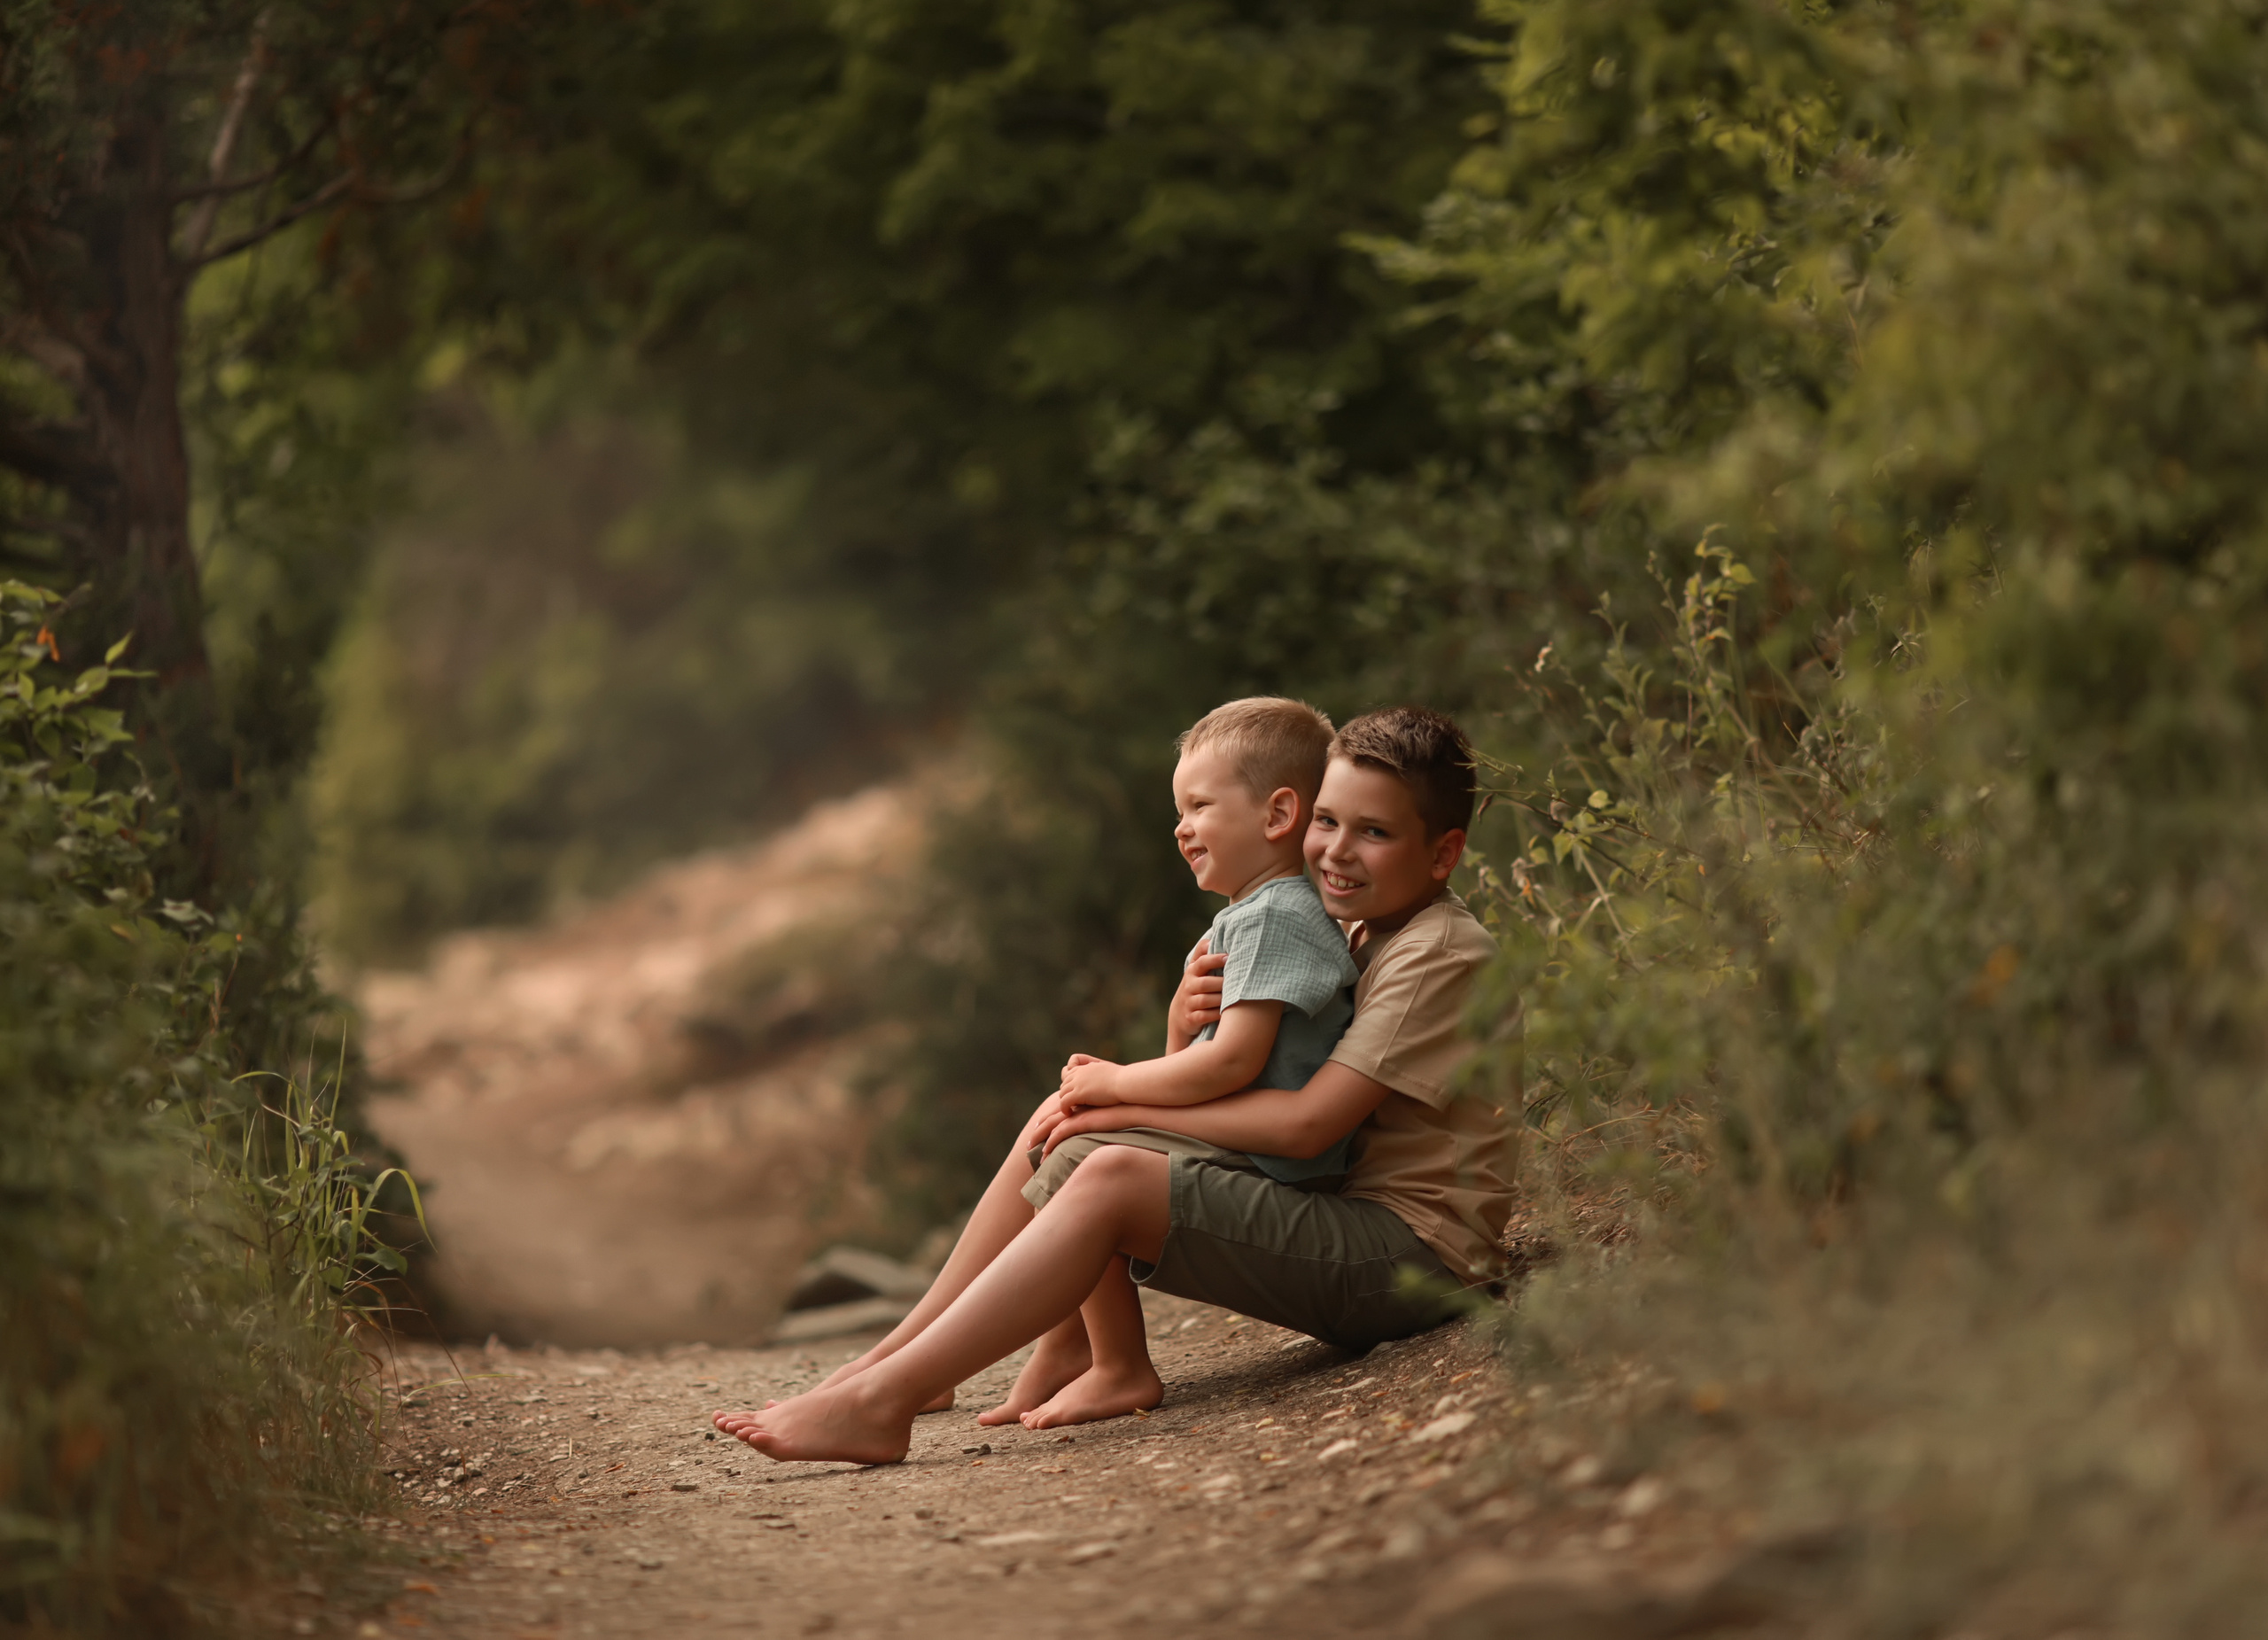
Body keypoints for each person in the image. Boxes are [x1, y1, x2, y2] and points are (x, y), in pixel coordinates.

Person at [715, 706, 1515, 1462]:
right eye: (1329, 822)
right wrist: (1173, 1032)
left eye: (1373, 833)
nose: (1337, 850)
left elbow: (1308, 1125)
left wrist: (1122, 1096)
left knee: (1106, 1164)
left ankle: (884, 1399)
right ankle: (904, 1357)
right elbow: (1242, 1069)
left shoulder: (1434, 951)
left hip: (1409, 1261)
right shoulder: (1353, 919)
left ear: (1441, 853)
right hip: (1347, 1220)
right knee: (1066, 1123)